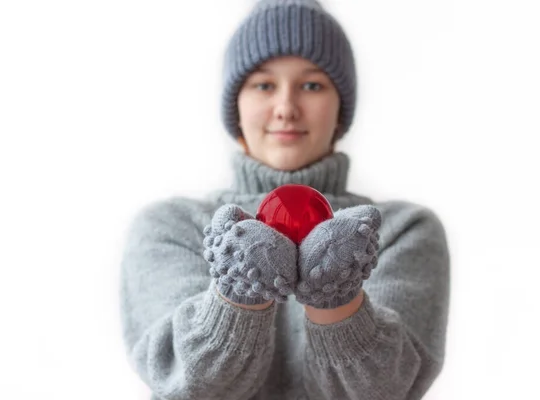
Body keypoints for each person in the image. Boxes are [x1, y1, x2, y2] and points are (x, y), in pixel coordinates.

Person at [119, 0, 451, 399]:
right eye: (263, 85)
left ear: (341, 109)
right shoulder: (169, 225)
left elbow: (384, 390)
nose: (286, 108)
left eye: (312, 85)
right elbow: (185, 386)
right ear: (236, 106)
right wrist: (238, 291)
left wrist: (337, 297)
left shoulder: (402, 229)